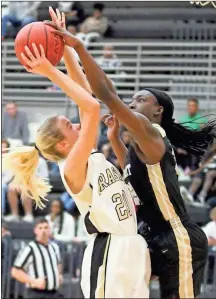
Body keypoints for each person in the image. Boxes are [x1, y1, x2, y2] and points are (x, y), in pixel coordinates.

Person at [52, 24, 216, 299]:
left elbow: (106, 94)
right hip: (150, 237)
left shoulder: (152, 133)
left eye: (140, 100)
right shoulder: (140, 146)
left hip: (178, 238)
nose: (132, 103)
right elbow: (132, 175)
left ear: (158, 110)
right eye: (132, 99)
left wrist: (78, 47)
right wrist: (116, 139)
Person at [3, 8, 151, 299]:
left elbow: (85, 98)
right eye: (69, 125)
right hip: (110, 249)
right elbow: (92, 107)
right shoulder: (71, 167)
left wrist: (67, 46)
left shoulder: (89, 154)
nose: (77, 122)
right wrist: (49, 70)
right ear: (62, 145)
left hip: (131, 244)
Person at [11, 218, 63, 298]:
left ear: (50, 230)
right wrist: (33, 281)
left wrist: (59, 274)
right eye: (40, 228)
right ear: (35, 230)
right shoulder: (30, 248)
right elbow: (15, 271)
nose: (43, 231)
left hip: (54, 293)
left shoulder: (54, 247)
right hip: (36, 294)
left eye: (46, 227)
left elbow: (58, 262)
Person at [4, 153, 49, 222]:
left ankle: (29, 214)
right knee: (11, 188)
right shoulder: (21, 162)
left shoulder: (41, 161)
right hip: (24, 185)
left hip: (38, 186)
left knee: (25, 188)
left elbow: (44, 178)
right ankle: (14, 215)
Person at [2, 139, 13, 215]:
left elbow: (9, 176)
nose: (2, 149)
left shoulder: (11, 160)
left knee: (1, 186)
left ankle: (1, 211)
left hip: (6, 184)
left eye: (4, 147)